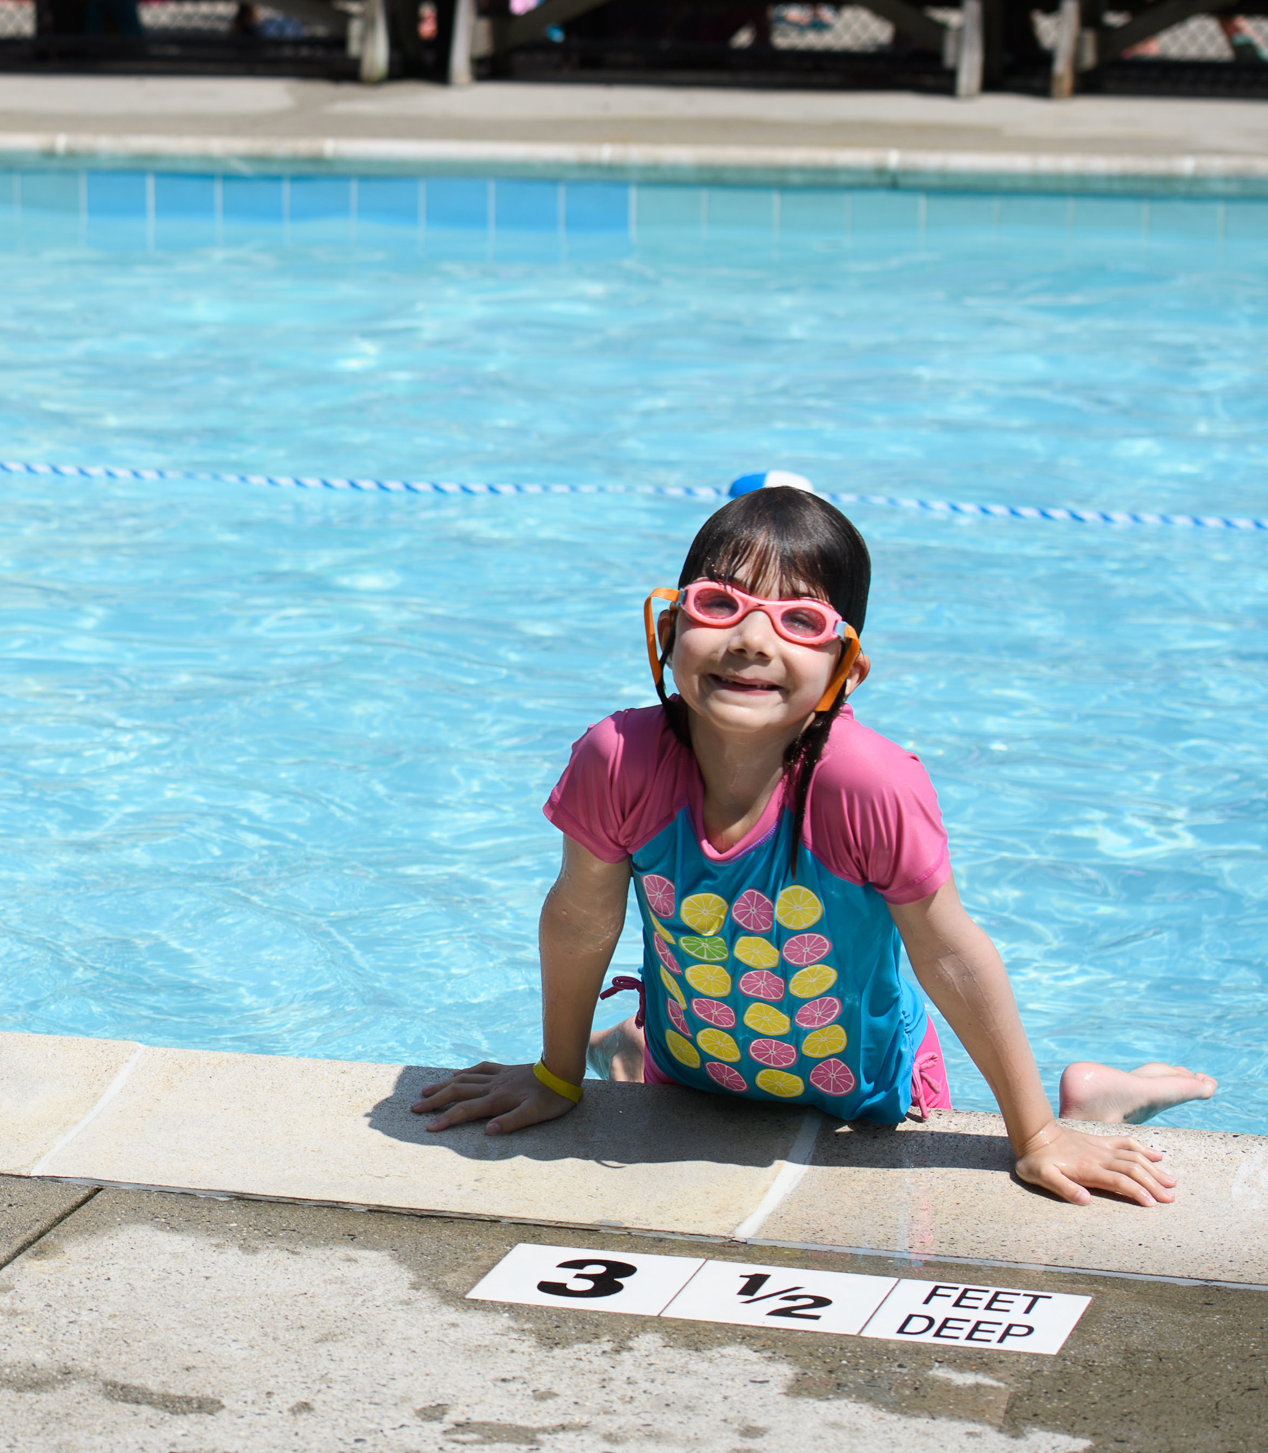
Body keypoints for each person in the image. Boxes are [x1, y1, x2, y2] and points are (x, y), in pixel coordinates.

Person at [413, 488, 1211, 1206]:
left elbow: (953, 957)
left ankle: (1091, 1100)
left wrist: (1036, 1137)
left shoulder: (865, 786)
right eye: (719, 605)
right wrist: (555, 1073)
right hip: (693, 1078)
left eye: (801, 620)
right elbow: (582, 918)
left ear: (845, 669)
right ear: (668, 629)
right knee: (653, 1034)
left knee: (1052, 1131)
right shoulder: (619, 759)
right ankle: (626, 1044)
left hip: (868, 1100)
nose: (753, 640)